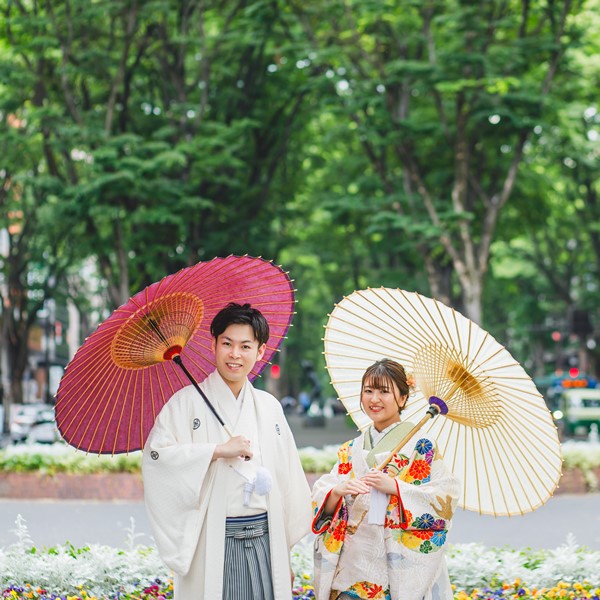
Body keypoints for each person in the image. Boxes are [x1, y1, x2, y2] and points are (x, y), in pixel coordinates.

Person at [142, 302, 313, 600]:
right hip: (211, 540)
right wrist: (216, 450)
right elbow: (158, 458)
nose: (235, 355)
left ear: (260, 352)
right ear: (214, 345)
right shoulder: (185, 404)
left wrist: (283, 553)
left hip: (265, 538)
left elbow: (287, 479)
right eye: (227, 344)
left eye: (246, 346)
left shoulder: (270, 408)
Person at [311, 359, 460, 600]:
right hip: (350, 564)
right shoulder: (350, 449)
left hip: (393, 567)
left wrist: (396, 488)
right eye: (368, 391)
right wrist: (337, 491)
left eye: (384, 391)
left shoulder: (422, 447)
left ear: (402, 398)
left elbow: (445, 496)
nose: (374, 399)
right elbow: (322, 494)